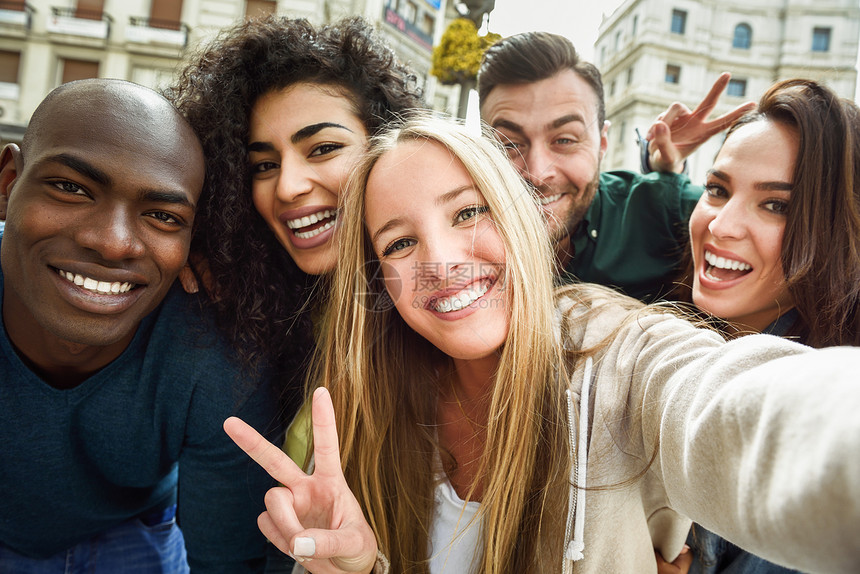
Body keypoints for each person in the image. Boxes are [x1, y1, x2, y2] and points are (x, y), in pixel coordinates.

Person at [224, 114, 860, 574]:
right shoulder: (368, 411)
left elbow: (735, 409)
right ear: (379, 282)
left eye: (469, 213)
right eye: (399, 242)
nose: (441, 263)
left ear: (524, 217)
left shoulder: (620, 352)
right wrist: (359, 568)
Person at [0, 79, 280, 573]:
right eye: (71, 188)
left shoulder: (216, 352)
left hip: (137, 530)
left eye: (162, 216)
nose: (112, 243)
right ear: (7, 185)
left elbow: (226, 561)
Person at [167, 15, 424, 420]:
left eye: (322, 149)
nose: (287, 187)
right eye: (263, 166)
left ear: (386, 143)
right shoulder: (244, 302)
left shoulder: (443, 306)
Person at [676, 79, 860, 574]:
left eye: (776, 205)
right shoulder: (683, 337)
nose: (720, 225)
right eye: (717, 190)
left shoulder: (821, 431)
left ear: (839, 231)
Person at [477, 31, 755, 302]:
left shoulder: (659, 209)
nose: (537, 173)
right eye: (509, 144)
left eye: (564, 140)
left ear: (602, 143)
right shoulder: (457, 233)